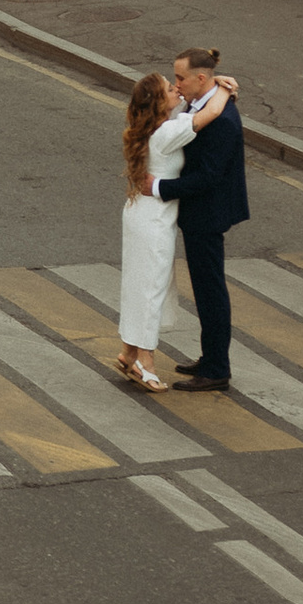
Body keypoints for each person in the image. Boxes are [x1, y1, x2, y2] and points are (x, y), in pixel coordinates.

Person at [117, 63, 233, 388]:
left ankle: (128, 352)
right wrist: (223, 87)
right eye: (170, 88)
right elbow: (209, 113)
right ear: (158, 102)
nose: (177, 90)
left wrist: (206, 82)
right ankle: (146, 362)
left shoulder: (152, 126)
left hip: (139, 212)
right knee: (153, 287)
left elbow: (186, 107)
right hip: (155, 218)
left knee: (138, 283)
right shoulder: (167, 133)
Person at [166, 44, 248, 389]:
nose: (176, 84)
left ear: (201, 78)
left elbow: (208, 176)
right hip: (200, 213)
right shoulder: (201, 101)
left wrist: (160, 188)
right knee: (204, 289)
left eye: (180, 78)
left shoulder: (222, 121)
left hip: (208, 214)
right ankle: (210, 356)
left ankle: (216, 369)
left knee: (211, 291)